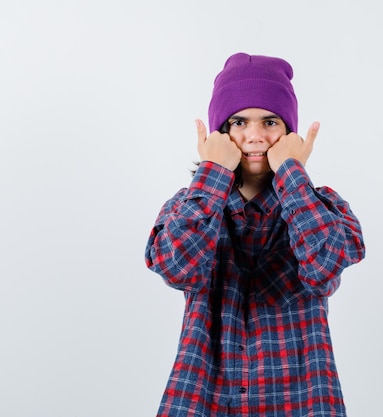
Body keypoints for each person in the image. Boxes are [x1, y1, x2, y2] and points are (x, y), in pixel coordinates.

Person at [145, 52, 366, 417]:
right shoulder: (188, 206)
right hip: (204, 397)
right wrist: (213, 171)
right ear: (220, 133)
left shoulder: (323, 206)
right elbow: (177, 268)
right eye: (238, 122)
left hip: (301, 399)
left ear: (290, 133)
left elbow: (323, 268)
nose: (254, 136)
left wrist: (292, 173)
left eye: (270, 122)